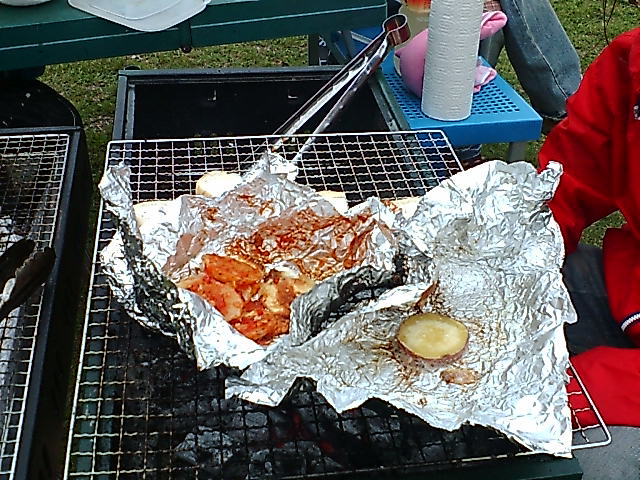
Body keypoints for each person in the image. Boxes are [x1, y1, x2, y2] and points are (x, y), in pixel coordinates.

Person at [537, 27, 640, 480]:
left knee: (592, 464)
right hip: (630, 287)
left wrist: (586, 384)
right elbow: (570, 177)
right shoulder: (634, 60)